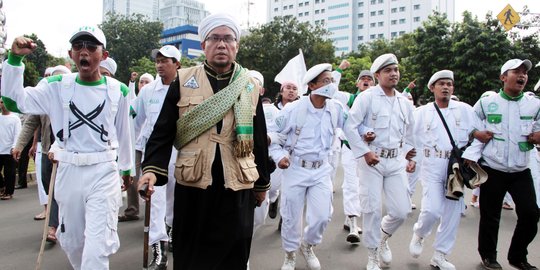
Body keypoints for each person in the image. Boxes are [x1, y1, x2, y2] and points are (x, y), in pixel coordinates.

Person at [137, 13, 270, 270]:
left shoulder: (249, 85)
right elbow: (162, 131)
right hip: (194, 184)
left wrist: (262, 182)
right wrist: (151, 170)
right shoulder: (184, 80)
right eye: (215, 38)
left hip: (237, 184)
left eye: (228, 39)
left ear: (236, 46)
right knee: (191, 254)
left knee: (234, 252)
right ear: (203, 45)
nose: (222, 45)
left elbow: (259, 139)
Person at [2, 26, 133, 269]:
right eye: (78, 47)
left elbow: (125, 134)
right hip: (68, 172)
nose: (84, 52)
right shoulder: (55, 86)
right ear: (71, 54)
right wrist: (15, 59)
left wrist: (126, 169)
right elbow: (13, 101)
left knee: (96, 248)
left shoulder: (119, 91)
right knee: (73, 243)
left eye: (91, 47)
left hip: (103, 172)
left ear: (103, 55)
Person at [463, 59, 540, 270]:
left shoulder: (534, 104)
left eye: (524, 72)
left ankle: (517, 256)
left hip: (520, 169)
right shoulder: (487, 102)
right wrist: (475, 133)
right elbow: (470, 124)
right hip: (492, 168)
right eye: (516, 71)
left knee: (531, 214)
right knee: (490, 216)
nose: (522, 75)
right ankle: (488, 256)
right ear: (503, 77)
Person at [343, 53, 416, 270]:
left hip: (395, 162)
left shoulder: (404, 102)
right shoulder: (366, 98)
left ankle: (383, 236)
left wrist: (412, 155)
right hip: (371, 160)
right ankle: (372, 254)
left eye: (395, 70)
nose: (393, 74)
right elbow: (350, 127)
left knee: (402, 210)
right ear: (377, 75)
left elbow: (411, 132)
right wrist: (365, 152)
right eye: (388, 70)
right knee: (372, 209)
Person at [269, 63, 344, 270]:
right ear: (312, 85)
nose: (331, 85)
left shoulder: (336, 109)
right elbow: (275, 138)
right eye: (326, 81)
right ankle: (290, 254)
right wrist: (280, 157)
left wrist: (366, 139)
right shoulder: (293, 109)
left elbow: (352, 128)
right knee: (291, 216)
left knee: (322, 216)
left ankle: (308, 245)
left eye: (332, 81)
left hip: (321, 170)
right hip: (295, 169)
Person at [408, 70, 478, 270]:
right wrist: (410, 157)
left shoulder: (465, 110)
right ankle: (420, 233)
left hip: (455, 168)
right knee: (431, 209)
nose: (446, 87)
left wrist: (470, 156)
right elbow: (409, 137)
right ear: (432, 88)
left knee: (452, 213)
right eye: (442, 84)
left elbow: (477, 136)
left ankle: (440, 255)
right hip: (431, 165)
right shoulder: (421, 112)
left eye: (449, 84)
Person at [132, 44, 182, 269]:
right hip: (154, 155)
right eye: (158, 60)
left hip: (180, 153)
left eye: (166, 61)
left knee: (173, 201)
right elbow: (136, 120)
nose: (160, 65)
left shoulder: (186, 88)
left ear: (177, 64)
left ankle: (169, 231)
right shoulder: (147, 91)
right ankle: (158, 250)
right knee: (155, 200)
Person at [12, 65, 71, 242]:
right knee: (50, 188)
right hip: (48, 151)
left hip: (69, 155)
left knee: (67, 190)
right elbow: (30, 123)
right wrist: (19, 146)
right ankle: (58, 221)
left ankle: (53, 227)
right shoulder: (45, 101)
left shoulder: (75, 99)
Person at [333, 68, 376, 244]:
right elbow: (330, 89)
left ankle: (350, 217)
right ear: (357, 83)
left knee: (364, 186)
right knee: (351, 184)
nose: (366, 81)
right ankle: (353, 223)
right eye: (363, 79)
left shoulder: (379, 102)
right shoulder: (348, 98)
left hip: (371, 151)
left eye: (370, 79)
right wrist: (338, 71)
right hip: (350, 148)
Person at [0, 99, 22, 200]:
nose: (2, 104)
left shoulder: (15, 118)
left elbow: (17, 134)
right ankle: (2, 187)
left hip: (9, 150)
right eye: (0, 102)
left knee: (9, 173)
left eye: (3, 102)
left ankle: (8, 192)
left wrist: (15, 147)